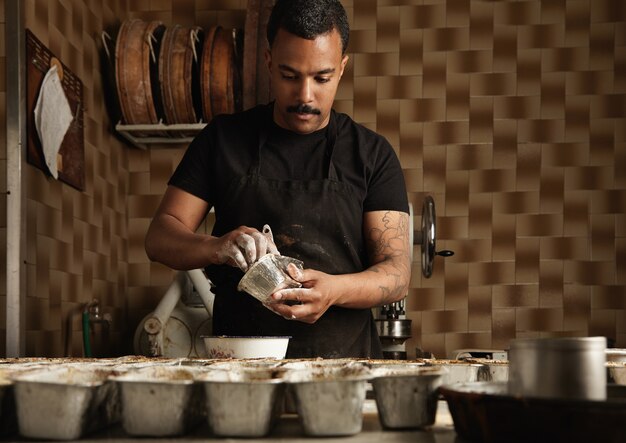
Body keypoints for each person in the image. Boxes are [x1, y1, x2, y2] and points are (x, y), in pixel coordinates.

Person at [145, 0, 411, 358]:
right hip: (240, 369)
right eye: (289, 76)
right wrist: (216, 247)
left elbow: (396, 273)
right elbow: (160, 236)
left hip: (345, 370)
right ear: (269, 61)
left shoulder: (372, 154)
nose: (305, 96)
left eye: (322, 78)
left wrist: (334, 290)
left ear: (342, 68)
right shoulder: (222, 139)